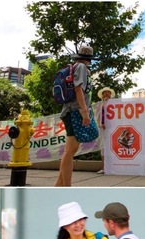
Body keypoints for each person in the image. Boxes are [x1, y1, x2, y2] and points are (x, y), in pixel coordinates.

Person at [55, 45, 97, 186]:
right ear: (89, 58)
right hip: (75, 111)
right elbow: (78, 89)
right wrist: (85, 112)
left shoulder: (76, 67)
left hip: (72, 111)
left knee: (69, 151)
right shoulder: (81, 68)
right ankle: (66, 186)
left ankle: (59, 185)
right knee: (70, 151)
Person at [95, 87, 115, 174]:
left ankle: (115, 167)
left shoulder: (115, 104)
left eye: (108, 92)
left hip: (113, 129)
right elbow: (97, 116)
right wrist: (100, 123)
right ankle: (104, 167)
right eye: (105, 92)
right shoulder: (99, 104)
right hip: (103, 128)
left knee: (113, 147)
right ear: (102, 95)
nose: (107, 94)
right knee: (103, 147)